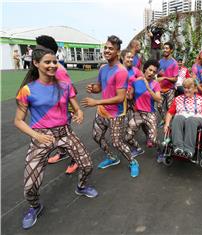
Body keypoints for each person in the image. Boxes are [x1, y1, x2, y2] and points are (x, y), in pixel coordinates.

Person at [15, 46, 97, 230]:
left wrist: (79, 112)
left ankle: (81, 187)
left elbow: (76, 107)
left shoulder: (64, 85)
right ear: (35, 63)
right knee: (30, 184)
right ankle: (34, 207)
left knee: (87, 165)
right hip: (41, 136)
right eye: (47, 62)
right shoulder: (27, 90)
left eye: (54, 61)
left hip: (64, 132)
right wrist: (37, 135)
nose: (53, 65)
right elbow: (18, 121)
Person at [81, 35, 140, 178]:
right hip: (102, 111)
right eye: (105, 47)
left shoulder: (121, 71)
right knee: (97, 136)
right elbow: (101, 87)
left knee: (117, 142)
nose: (106, 50)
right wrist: (93, 88)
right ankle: (112, 158)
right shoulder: (103, 68)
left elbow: (120, 98)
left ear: (118, 52)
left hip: (116, 114)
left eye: (110, 48)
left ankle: (133, 162)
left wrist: (96, 102)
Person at [34, 35, 79, 175]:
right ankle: (62, 153)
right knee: (56, 137)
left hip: (62, 112)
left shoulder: (58, 70)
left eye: (38, 48)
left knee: (66, 137)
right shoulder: (43, 66)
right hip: (49, 112)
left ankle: (75, 159)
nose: (35, 50)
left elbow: (70, 90)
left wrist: (72, 111)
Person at [164, 78, 202, 159]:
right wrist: (167, 124)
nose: (186, 90)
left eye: (189, 88)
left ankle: (189, 150)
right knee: (177, 117)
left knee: (190, 120)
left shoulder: (201, 99)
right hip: (181, 117)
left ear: (195, 88)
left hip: (196, 118)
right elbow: (170, 113)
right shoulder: (178, 99)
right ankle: (178, 147)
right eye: (185, 88)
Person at [125, 59, 162, 160]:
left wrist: (148, 88)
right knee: (127, 137)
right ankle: (137, 149)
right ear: (145, 69)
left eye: (154, 72)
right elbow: (130, 96)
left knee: (153, 140)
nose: (151, 73)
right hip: (138, 113)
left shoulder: (155, 84)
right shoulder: (136, 81)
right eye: (150, 70)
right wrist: (126, 91)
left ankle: (161, 152)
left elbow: (158, 98)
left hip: (150, 114)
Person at [157, 42, 179, 125]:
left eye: (167, 48)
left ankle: (169, 124)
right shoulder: (159, 62)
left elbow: (175, 79)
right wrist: (159, 74)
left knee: (170, 108)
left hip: (170, 89)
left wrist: (165, 77)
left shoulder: (174, 63)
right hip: (161, 89)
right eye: (164, 48)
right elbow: (157, 74)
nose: (165, 50)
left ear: (171, 50)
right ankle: (164, 119)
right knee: (159, 106)